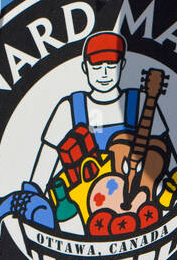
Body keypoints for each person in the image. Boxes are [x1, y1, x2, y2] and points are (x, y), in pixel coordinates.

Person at [28, 30, 169, 189]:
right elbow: (47, 157)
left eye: (111, 65)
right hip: (84, 203)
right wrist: (33, 193)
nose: (104, 73)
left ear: (122, 64)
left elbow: (162, 153)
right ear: (85, 67)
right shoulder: (70, 107)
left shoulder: (141, 102)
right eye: (97, 65)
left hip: (135, 199)